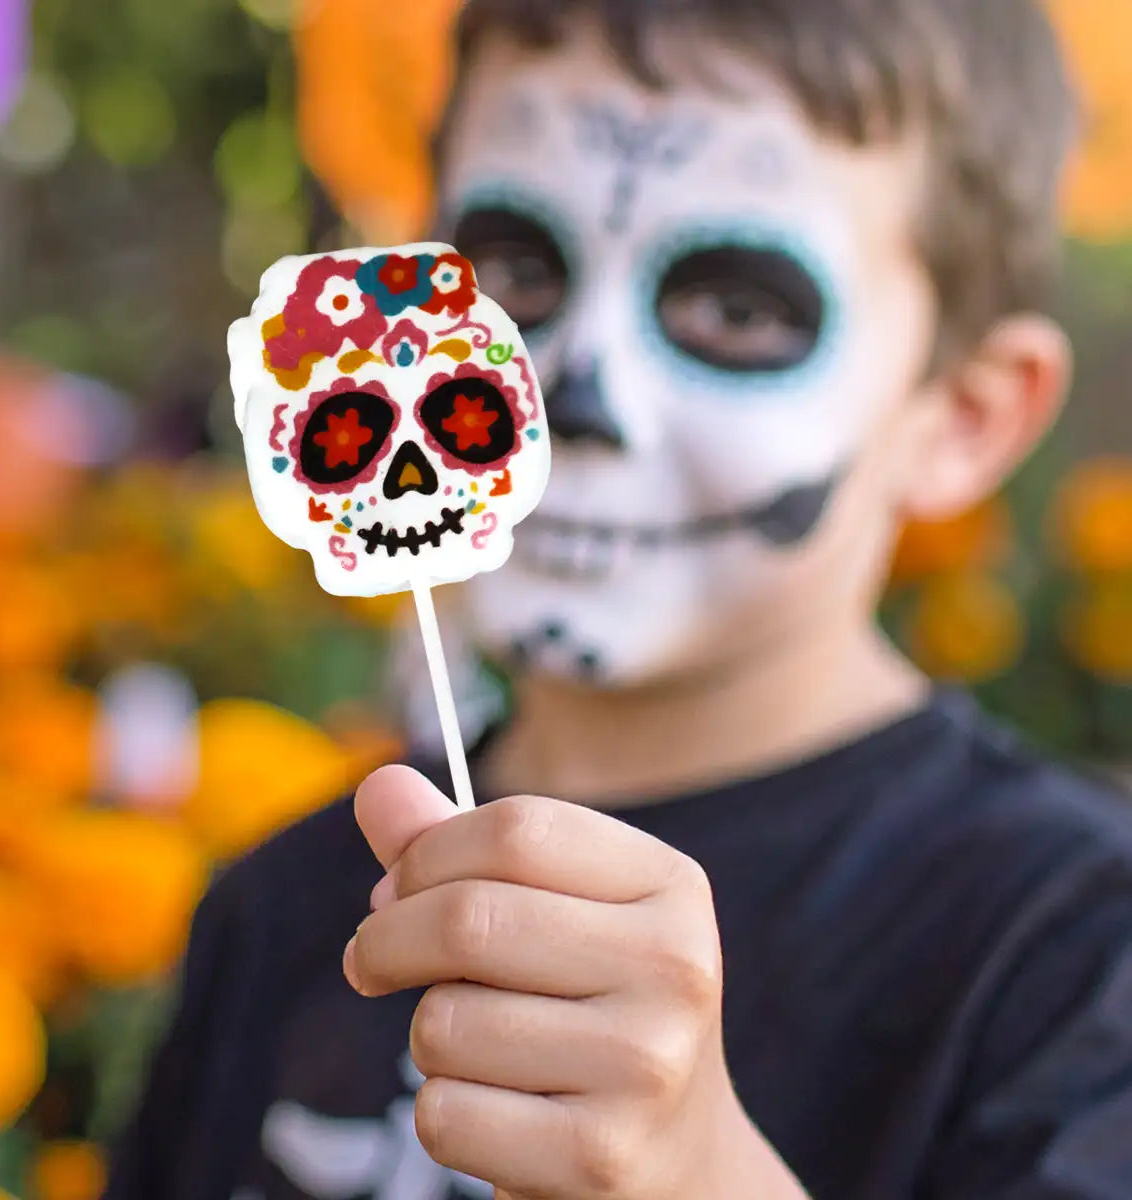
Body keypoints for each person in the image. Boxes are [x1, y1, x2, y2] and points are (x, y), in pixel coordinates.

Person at [107, 1, 1132, 1197]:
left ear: (965, 416)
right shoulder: (280, 914)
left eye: (736, 310)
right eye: (512, 274)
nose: (570, 394)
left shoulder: (1075, 957)